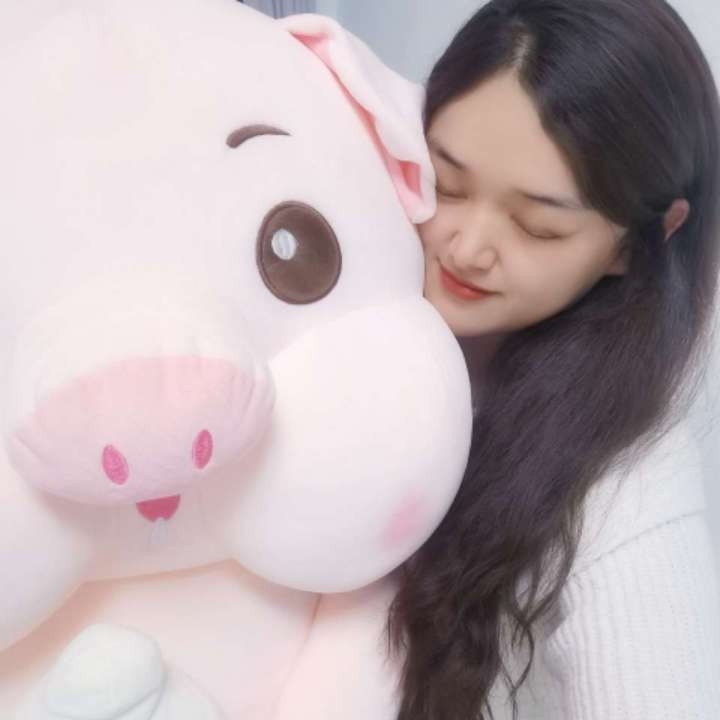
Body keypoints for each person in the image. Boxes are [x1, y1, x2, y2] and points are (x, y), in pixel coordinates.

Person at [386, 1, 720, 718]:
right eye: (446, 182)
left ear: (638, 242)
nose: (466, 247)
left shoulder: (630, 481)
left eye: (537, 227)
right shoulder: (349, 309)